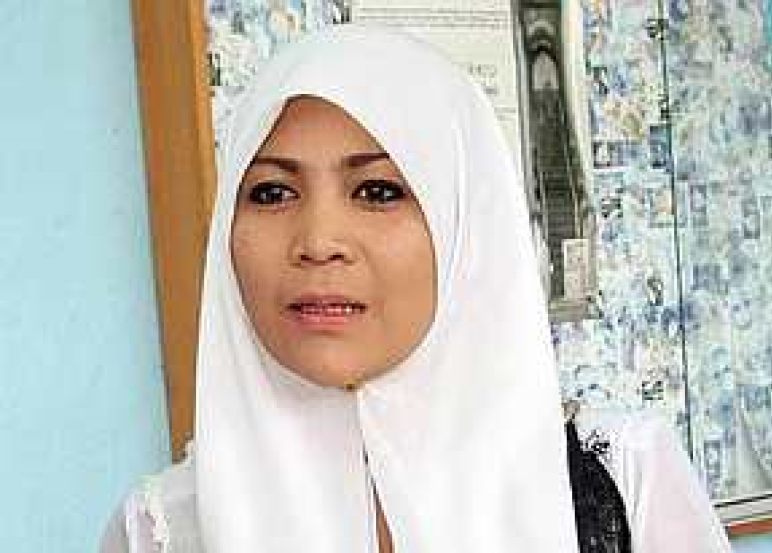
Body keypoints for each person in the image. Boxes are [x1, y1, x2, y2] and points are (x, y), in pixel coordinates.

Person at [100, 24, 731, 553]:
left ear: (464, 227)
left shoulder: (624, 482)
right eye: (271, 192)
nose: (318, 240)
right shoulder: (161, 531)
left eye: (378, 191)